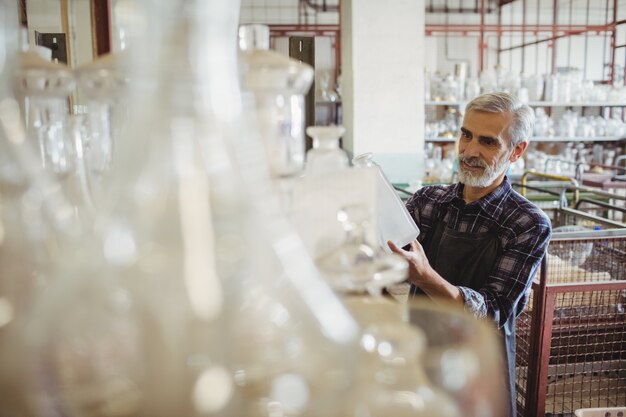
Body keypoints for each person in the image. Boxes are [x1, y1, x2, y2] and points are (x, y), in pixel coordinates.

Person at [388, 91, 552, 417]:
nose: (469, 151)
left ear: (517, 151)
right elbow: (384, 261)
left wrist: (427, 277)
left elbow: (492, 312)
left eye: (488, 142)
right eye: (466, 135)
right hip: (421, 358)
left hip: (480, 375)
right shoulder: (428, 201)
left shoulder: (527, 223)